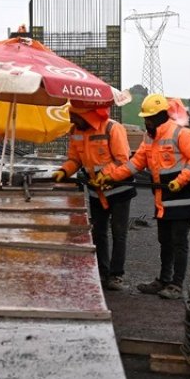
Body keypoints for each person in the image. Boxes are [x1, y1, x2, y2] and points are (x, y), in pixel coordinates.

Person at [97, 93, 190, 300]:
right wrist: (110, 177)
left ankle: (176, 285)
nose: (146, 121)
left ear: (161, 115)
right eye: (145, 118)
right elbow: (134, 164)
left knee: (179, 242)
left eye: (149, 117)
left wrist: (181, 180)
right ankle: (163, 280)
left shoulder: (182, 134)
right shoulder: (149, 139)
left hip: (182, 198)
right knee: (164, 241)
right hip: (162, 199)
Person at [53, 102, 135, 290]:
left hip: (118, 189)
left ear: (86, 115)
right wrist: (64, 171)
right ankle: (101, 272)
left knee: (118, 232)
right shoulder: (76, 131)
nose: (71, 119)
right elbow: (75, 159)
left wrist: (105, 175)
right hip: (96, 191)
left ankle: (116, 275)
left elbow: (122, 159)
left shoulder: (113, 128)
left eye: (74, 116)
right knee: (98, 232)